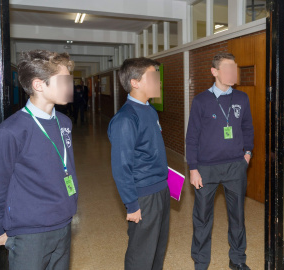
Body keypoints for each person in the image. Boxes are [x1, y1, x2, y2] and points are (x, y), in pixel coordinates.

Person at [0, 50, 78, 270]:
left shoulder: (64, 123)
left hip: (62, 223)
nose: (69, 87)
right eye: (63, 81)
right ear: (38, 85)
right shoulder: (10, 132)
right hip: (30, 231)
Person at [186, 52, 254, 270]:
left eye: (234, 68)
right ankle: (201, 261)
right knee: (203, 218)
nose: (233, 72)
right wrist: (193, 168)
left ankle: (237, 259)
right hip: (206, 168)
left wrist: (247, 154)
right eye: (227, 68)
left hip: (236, 166)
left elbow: (247, 128)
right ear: (215, 72)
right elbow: (192, 137)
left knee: (237, 217)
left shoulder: (242, 98)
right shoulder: (201, 101)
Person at [107, 57, 170, 270]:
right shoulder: (126, 119)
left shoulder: (149, 110)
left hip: (160, 189)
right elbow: (121, 166)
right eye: (153, 78)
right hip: (143, 195)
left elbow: (151, 150)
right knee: (141, 253)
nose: (158, 82)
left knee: (158, 249)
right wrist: (132, 204)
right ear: (135, 83)